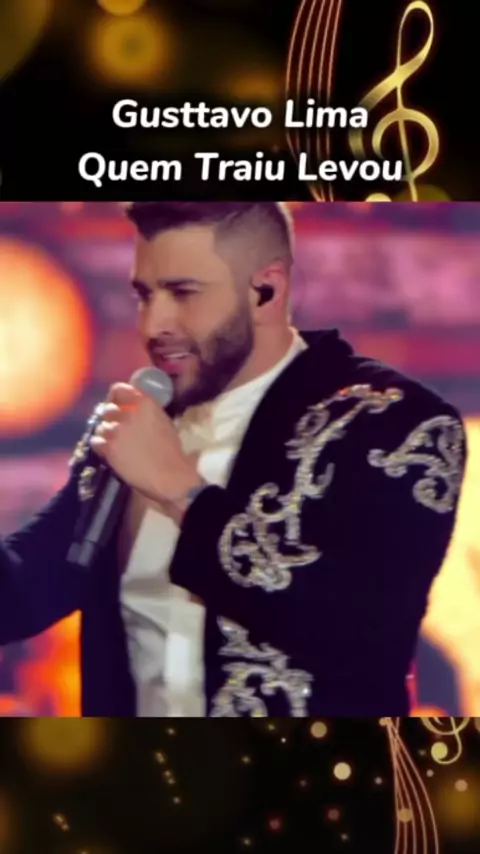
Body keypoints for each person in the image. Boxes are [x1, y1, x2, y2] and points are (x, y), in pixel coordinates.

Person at [0, 202, 467, 717]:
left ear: (265, 290)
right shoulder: (140, 418)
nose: (155, 324)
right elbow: (23, 591)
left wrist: (179, 490)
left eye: (183, 293)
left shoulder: (399, 425)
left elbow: (360, 633)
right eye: (144, 295)